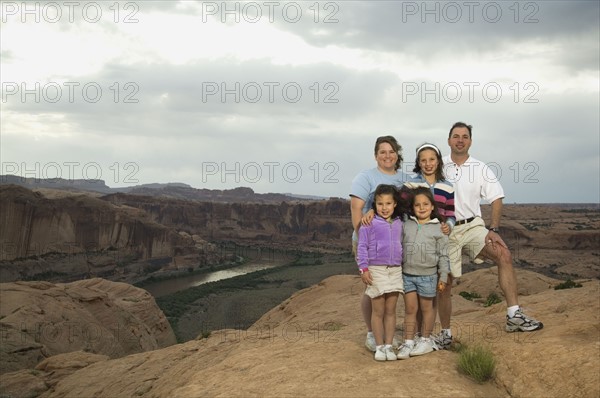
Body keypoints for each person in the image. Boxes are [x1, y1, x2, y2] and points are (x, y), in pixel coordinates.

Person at [434, 121, 543, 350]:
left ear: (470, 141)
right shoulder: (438, 165)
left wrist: (493, 229)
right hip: (446, 231)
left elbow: (496, 198)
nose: (460, 140)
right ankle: (444, 333)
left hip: (473, 226)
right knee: (444, 282)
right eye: (456, 136)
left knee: (503, 254)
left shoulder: (480, 168)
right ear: (448, 140)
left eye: (465, 136)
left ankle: (514, 316)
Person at [350, 136, 410, 352]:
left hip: (393, 243)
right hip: (368, 239)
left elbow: (408, 205)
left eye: (391, 151)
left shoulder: (405, 178)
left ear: (397, 154)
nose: (387, 155)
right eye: (382, 152)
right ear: (376, 155)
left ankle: (385, 336)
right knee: (372, 290)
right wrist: (365, 234)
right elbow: (357, 208)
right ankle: (372, 334)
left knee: (390, 293)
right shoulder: (365, 176)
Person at [397, 187, 449, 359]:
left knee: (427, 309)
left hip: (428, 276)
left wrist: (443, 277)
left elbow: (443, 256)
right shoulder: (407, 225)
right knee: (410, 309)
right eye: (417, 205)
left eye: (426, 204)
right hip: (408, 275)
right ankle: (409, 342)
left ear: (432, 206)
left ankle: (425, 340)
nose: (421, 207)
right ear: (412, 207)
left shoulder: (439, 229)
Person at [356, 184, 405, 361]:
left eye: (388, 203)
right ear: (374, 205)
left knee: (391, 311)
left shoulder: (400, 222)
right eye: (380, 204)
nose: (384, 208)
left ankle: (388, 346)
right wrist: (364, 269)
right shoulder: (369, 224)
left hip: (395, 270)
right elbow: (362, 247)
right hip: (376, 270)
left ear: (394, 204)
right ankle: (379, 347)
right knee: (378, 311)